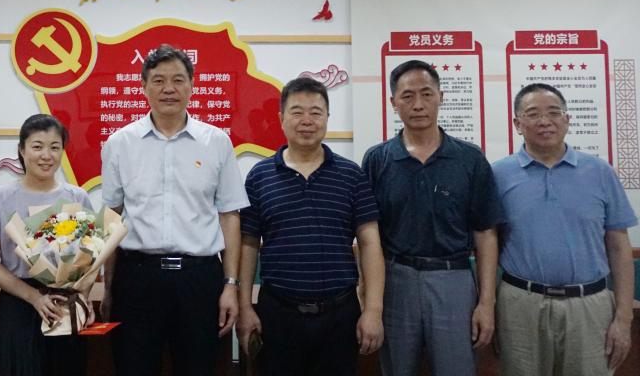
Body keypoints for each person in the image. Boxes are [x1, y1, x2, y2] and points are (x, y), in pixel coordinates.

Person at [101, 44, 249, 376]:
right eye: (159, 80)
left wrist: (230, 285)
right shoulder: (120, 143)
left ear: (192, 85)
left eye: (178, 80)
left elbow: (230, 216)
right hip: (137, 278)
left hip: (199, 280)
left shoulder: (216, 142)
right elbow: (111, 217)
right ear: (143, 86)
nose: (169, 88)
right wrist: (109, 287)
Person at [362, 59, 503, 376]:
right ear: (393, 102)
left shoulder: (469, 158)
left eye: (426, 94)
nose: (418, 104)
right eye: (407, 96)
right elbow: (368, 235)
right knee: (397, 369)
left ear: (441, 97)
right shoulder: (377, 160)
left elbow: (485, 234)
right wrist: (367, 293)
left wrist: (486, 302)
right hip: (395, 280)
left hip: (453, 280)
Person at [237, 76, 385, 375]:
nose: (307, 120)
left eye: (316, 112)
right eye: (297, 112)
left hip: (339, 313)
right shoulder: (259, 176)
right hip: (278, 314)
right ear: (281, 118)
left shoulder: (351, 175)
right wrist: (245, 307)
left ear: (327, 117)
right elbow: (248, 244)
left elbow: (370, 242)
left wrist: (373, 310)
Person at [492, 82, 636, 375]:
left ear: (567, 120)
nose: (545, 121)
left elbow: (619, 247)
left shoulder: (600, 172)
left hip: (589, 306)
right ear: (517, 124)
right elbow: (488, 243)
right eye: (533, 114)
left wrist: (623, 318)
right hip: (520, 305)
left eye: (554, 112)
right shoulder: (498, 174)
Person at [0, 114, 94, 376]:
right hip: (19, 304)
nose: (46, 155)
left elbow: (90, 259)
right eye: (37, 146)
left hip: (64, 304)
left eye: (54, 147)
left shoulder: (77, 197)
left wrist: (81, 298)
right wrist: (34, 297)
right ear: (22, 150)